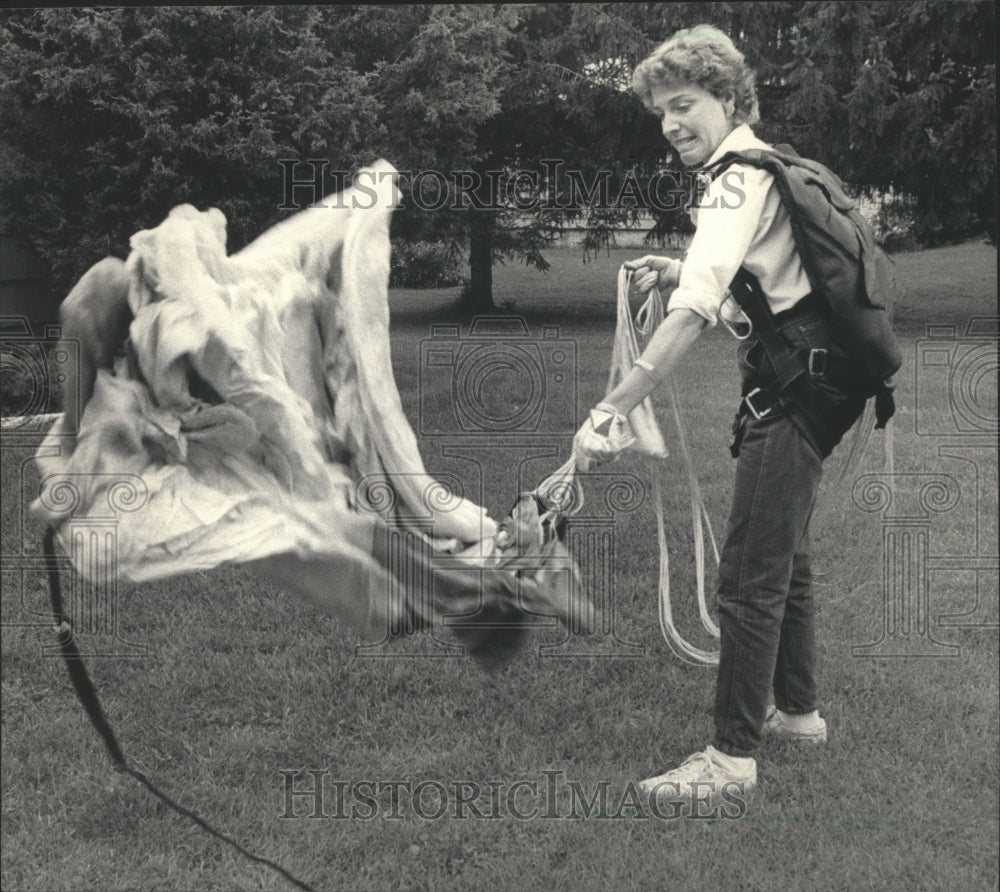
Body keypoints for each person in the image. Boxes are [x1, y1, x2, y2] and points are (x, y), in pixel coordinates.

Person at [573, 24, 866, 805]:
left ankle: (730, 760)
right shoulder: (765, 169)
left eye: (684, 104)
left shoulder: (736, 179)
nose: (670, 124)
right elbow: (764, 294)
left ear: (728, 99)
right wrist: (676, 267)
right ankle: (798, 714)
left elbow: (698, 309)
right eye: (661, 112)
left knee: (746, 579)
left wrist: (614, 406)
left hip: (794, 397)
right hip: (823, 386)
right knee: (787, 561)